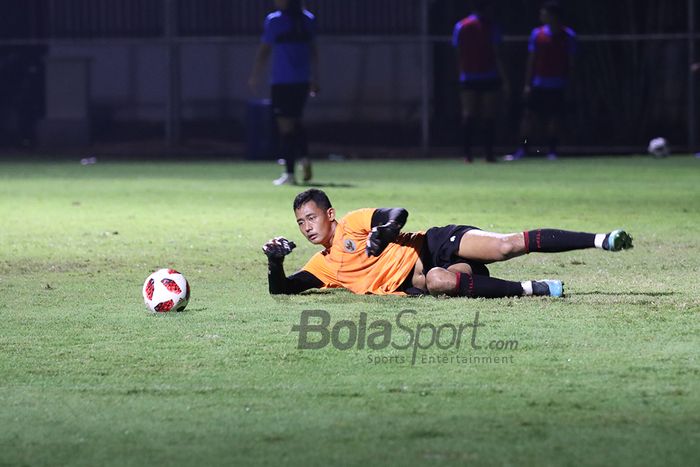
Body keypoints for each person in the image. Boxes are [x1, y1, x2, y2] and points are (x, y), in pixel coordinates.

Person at [262, 189, 633, 297]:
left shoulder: (355, 223)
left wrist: (387, 231)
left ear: (329, 214)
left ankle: (602, 239)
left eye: (311, 217)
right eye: (300, 223)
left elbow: (398, 211)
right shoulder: (322, 266)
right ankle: (533, 289)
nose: (307, 227)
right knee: (436, 281)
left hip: (434, 244)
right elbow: (283, 290)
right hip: (430, 277)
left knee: (506, 246)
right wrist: (275, 263)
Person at [249, 0, 319, 185]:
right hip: (302, 81)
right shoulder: (308, 19)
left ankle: (289, 173)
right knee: (296, 121)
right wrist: (315, 78)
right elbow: (314, 51)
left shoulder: (275, 20)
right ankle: (304, 158)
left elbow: (264, 50)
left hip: (282, 81)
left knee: (285, 126)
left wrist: (255, 75)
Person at [506, 1, 576, 161]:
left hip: (558, 83)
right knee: (528, 117)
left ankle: (552, 150)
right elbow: (531, 60)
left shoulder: (568, 35)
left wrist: (570, 83)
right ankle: (523, 148)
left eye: (544, 13)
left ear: (553, 16)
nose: (541, 16)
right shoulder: (537, 34)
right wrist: (527, 84)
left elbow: (571, 62)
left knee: (554, 118)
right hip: (539, 83)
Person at [453, 0, 509, 163]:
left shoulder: (461, 25)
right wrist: (505, 79)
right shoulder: (492, 26)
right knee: (488, 115)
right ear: (487, 7)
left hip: (468, 76)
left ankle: (467, 155)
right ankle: (489, 154)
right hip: (488, 75)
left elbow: (457, 53)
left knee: (469, 114)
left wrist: (459, 73)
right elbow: (497, 53)